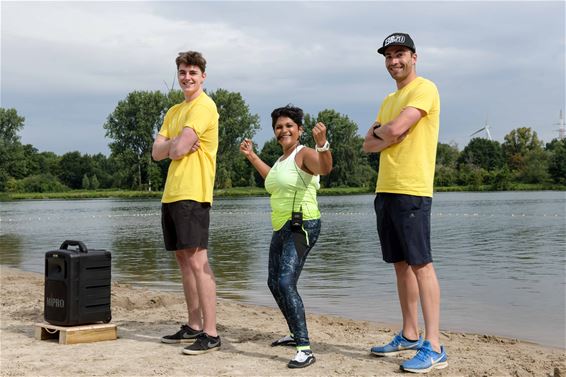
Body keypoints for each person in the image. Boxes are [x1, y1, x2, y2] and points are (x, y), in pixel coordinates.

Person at [362, 33, 448, 373]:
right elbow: (369, 144)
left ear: (414, 56)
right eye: (388, 56)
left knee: (421, 264)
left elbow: (393, 131)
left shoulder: (424, 88)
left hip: (413, 188)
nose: (393, 61)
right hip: (386, 188)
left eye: (400, 54)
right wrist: (387, 133)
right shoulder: (389, 98)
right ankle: (410, 334)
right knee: (400, 264)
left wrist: (386, 132)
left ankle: (435, 345)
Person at [239, 105, 332, 368]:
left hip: (303, 226)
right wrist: (251, 156)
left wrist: (322, 144)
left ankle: (305, 349)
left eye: (289, 126)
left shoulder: (305, 154)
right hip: (282, 226)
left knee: (285, 282)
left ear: (300, 130)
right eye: (279, 127)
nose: (284, 130)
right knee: (273, 282)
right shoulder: (282, 161)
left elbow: (324, 168)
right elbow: (272, 180)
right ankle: (294, 333)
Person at [152, 51, 220, 355]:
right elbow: (159, 152)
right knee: (183, 261)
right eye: (182, 72)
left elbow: (176, 147)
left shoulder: (204, 106)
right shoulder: (175, 110)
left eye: (193, 72)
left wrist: (174, 145)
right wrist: (175, 144)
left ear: (203, 76)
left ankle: (211, 332)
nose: (187, 77)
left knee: (198, 260)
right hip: (172, 192)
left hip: (194, 192)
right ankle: (193, 325)